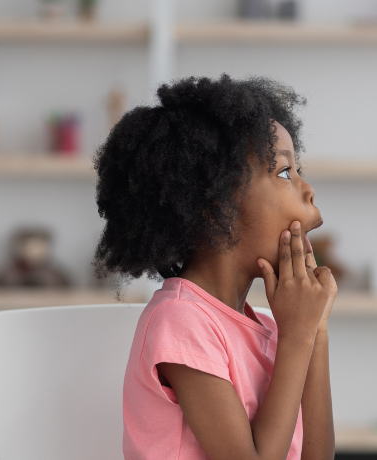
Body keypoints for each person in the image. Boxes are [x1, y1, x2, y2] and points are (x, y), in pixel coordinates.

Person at [95, 75, 337, 460]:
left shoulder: (277, 328)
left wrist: (315, 330)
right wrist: (297, 337)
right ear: (216, 205)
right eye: (284, 173)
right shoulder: (181, 321)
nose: (307, 190)